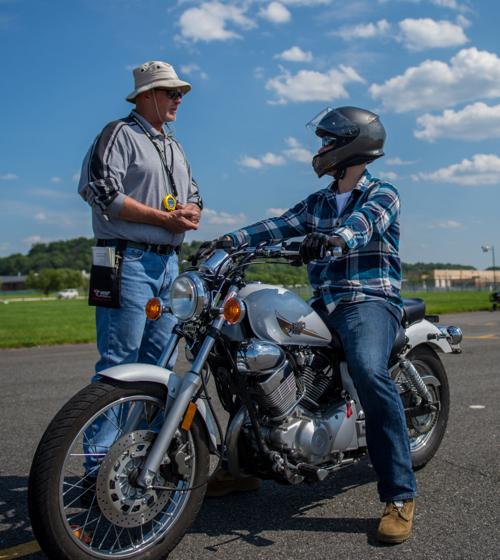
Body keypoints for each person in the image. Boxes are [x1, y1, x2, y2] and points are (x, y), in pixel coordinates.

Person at [210, 106, 417, 544]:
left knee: (368, 371)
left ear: (352, 145)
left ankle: (400, 494)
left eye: (327, 141)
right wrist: (230, 241)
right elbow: (278, 225)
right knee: (245, 354)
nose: (320, 150)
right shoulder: (319, 201)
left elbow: (362, 227)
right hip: (324, 304)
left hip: (368, 302)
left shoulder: (383, 193)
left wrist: (336, 237)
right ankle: (242, 466)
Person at [78, 60, 202, 479]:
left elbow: (196, 195)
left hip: (168, 262)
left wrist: (191, 211)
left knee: (160, 365)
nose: (179, 99)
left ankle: (142, 460)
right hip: (120, 258)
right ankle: (98, 469)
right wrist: (163, 219)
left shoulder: (175, 145)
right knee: (117, 364)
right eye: (171, 92)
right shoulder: (118, 134)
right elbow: (101, 192)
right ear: (146, 95)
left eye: (180, 93)